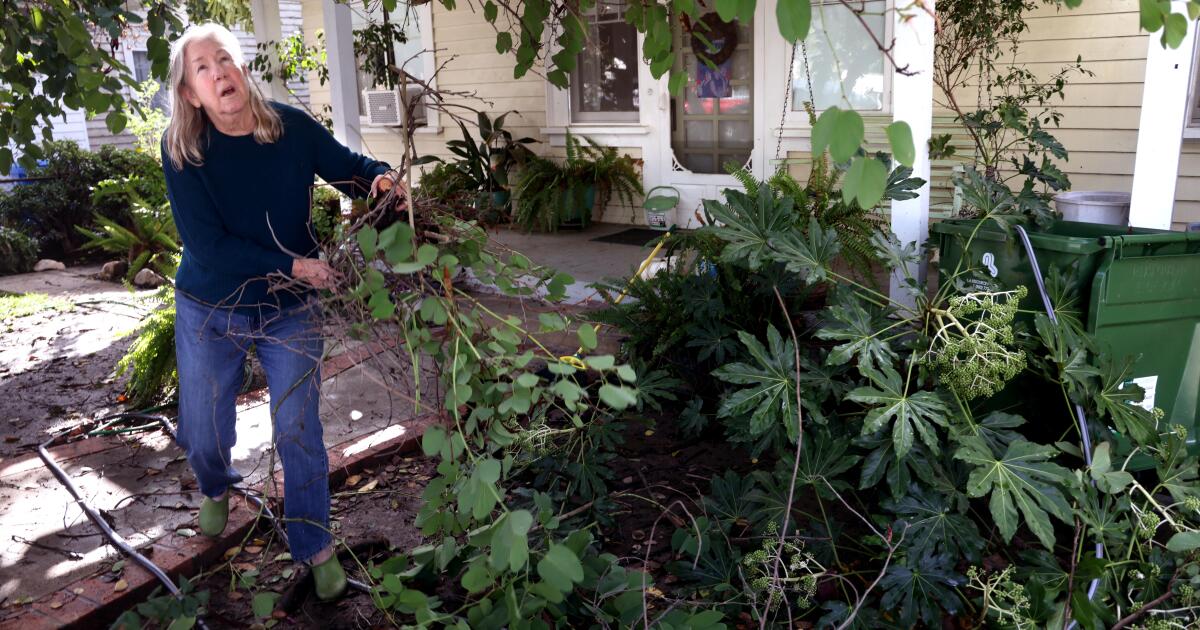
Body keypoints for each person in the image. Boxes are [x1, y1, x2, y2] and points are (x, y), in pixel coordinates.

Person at [161, 23, 393, 601]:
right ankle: (215, 488)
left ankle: (316, 549)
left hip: (289, 309)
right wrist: (296, 266)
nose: (219, 73)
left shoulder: (287, 128)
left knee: (298, 427)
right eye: (202, 68)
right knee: (206, 429)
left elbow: (347, 166)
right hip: (211, 305)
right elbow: (210, 247)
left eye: (225, 61)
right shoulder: (183, 151)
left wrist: (380, 179)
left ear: (241, 70)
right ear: (191, 92)